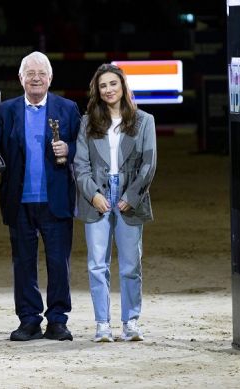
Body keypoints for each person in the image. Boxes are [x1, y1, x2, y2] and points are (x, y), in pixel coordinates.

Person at [0, 51, 81, 341]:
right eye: (29, 73)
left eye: (41, 73)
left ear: (50, 78)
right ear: (20, 79)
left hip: (56, 201)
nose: (36, 78)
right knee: (23, 263)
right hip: (18, 201)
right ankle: (29, 320)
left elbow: (84, 152)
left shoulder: (67, 108)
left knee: (59, 263)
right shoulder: (5, 111)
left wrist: (69, 150)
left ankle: (57, 320)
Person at [73, 63, 157, 343]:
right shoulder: (88, 122)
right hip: (96, 194)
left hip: (129, 195)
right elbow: (80, 165)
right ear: (97, 91)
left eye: (113, 84)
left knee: (131, 264)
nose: (109, 90)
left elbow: (149, 165)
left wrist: (130, 196)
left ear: (123, 87)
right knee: (97, 264)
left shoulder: (144, 121)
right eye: (103, 85)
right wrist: (94, 194)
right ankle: (102, 325)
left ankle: (130, 322)